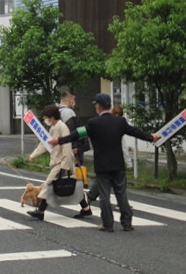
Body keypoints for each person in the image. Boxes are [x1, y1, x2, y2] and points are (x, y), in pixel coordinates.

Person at [49, 93, 160, 232]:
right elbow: (135, 132)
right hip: (118, 164)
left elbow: (77, 133)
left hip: (102, 165)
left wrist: (59, 140)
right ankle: (127, 223)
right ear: (110, 106)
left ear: (99, 106)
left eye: (96, 104)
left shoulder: (93, 123)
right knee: (122, 194)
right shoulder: (120, 122)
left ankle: (107, 224)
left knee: (105, 195)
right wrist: (150, 137)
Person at [27, 105, 84, 221]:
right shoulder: (53, 128)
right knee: (72, 185)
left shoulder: (62, 127)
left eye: (46, 118)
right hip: (59, 161)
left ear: (52, 117)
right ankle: (86, 207)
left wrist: (65, 165)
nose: (46, 120)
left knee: (49, 184)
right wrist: (34, 155)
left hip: (62, 161)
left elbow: (67, 147)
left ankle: (40, 211)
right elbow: (45, 143)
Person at [86, 104, 133, 205]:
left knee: (102, 181)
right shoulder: (119, 127)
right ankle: (122, 203)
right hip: (116, 160)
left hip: (103, 159)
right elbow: (123, 148)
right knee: (120, 183)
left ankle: (91, 195)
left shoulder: (102, 124)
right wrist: (129, 163)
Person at [57, 90, 92, 218]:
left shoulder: (57, 111)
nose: (74, 101)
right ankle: (85, 204)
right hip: (71, 150)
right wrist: (77, 146)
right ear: (69, 99)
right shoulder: (68, 112)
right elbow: (74, 131)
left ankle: (85, 204)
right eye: (73, 99)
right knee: (70, 178)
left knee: (66, 178)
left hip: (63, 149)